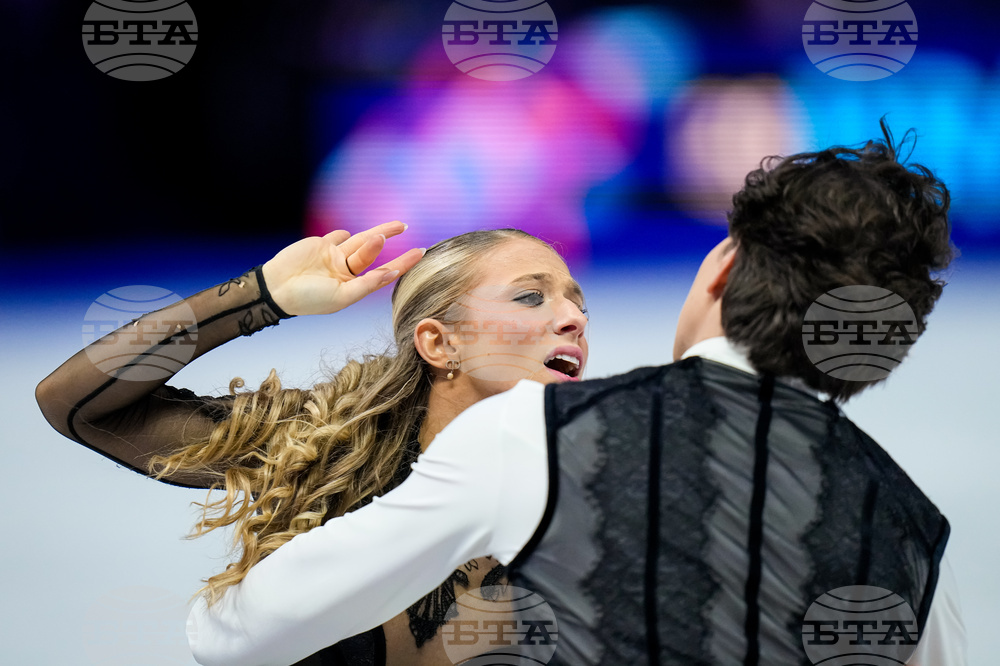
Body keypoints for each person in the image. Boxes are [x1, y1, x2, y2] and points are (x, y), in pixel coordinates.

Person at [185, 123, 966, 666]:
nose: (571, 317)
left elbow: (237, 636)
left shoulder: (537, 434)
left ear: (721, 270)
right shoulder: (912, 530)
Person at [35, 223, 591, 665]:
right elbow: (77, 403)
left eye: (578, 305)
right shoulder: (329, 441)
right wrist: (259, 297)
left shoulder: (606, 477)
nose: (573, 319)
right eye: (530, 298)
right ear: (441, 343)